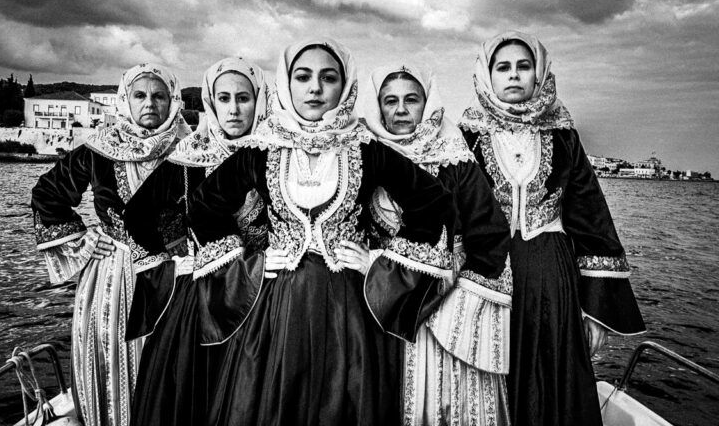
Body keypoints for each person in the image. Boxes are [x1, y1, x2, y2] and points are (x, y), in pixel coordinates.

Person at [189, 38, 454, 426]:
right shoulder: (262, 148)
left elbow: (434, 202)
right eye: (303, 76)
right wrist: (251, 262)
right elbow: (203, 208)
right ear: (287, 84)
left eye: (328, 78)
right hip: (277, 307)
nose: (315, 88)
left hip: (348, 307)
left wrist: (380, 262)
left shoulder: (367, 148)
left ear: (344, 87)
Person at [458, 31, 646, 426]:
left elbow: (591, 219)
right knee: (490, 378)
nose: (513, 76)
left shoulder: (563, 136)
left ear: (539, 74)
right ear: (486, 75)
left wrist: (594, 311)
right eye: (503, 67)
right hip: (485, 281)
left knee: (554, 380)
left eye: (523, 67)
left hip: (552, 282)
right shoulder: (466, 139)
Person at [31, 63, 191, 426]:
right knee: (110, 358)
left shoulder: (191, 150)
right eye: (140, 95)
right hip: (114, 275)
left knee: (171, 361)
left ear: (173, 101)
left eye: (159, 95)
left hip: (175, 273)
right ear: (125, 101)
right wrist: (86, 237)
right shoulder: (99, 150)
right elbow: (47, 194)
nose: (149, 103)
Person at [361, 63, 512, 425]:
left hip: (445, 309)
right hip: (378, 305)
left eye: (411, 100)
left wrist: (449, 302)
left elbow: (489, 235)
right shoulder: (363, 155)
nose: (400, 110)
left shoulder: (454, 159)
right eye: (390, 101)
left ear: (427, 104)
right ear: (376, 106)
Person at [129, 56, 269, 426]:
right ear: (210, 103)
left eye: (244, 98)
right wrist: (179, 246)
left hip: (264, 295)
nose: (234, 109)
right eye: (224, 99)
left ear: (261, 101)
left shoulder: (275, 153)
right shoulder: (189, 158)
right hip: (200, 297)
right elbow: (139, 215)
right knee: (191, 393)